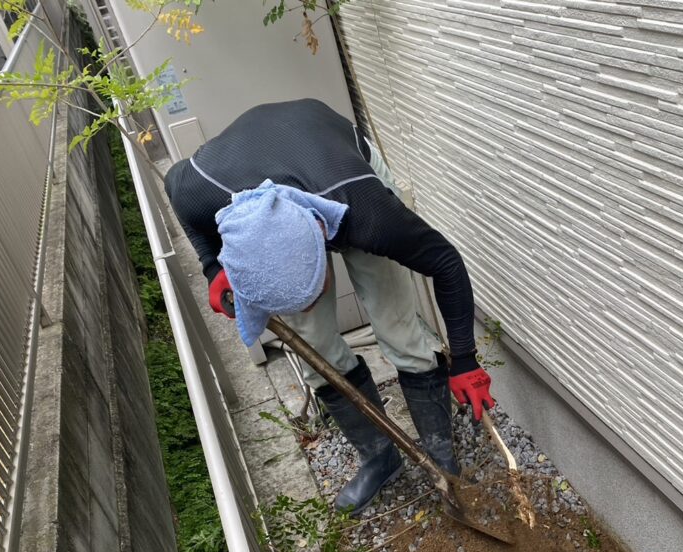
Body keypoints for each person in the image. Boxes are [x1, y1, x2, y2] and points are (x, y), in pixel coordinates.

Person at [163, 99, 494, 515]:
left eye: (315, 289)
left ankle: (440, 456)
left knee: (398, 329)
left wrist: (464, 360)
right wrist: (213, 267)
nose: (318, 301)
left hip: (336, 166)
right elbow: (175, 193)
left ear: (323, 233)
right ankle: (380, 456)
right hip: (264, 166)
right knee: (314, 345)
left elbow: (445, 262)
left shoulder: (369, 213)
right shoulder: (195, 188)